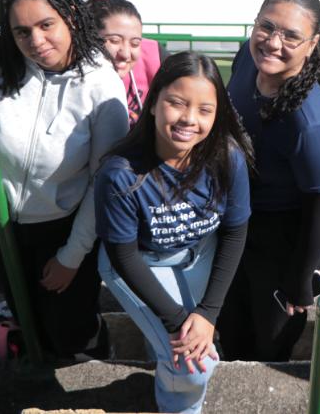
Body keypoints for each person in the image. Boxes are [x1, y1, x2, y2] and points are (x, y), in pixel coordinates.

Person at [0, 0, 129, 358]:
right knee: (21, 305)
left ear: (72, 16)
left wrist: (71, 256)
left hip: (62, 228)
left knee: (71, 324)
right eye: (21, 32)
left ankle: (90, 355)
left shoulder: (101, 84)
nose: (36, 41)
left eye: (47, 24)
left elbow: (104, 183)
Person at [96, 52, 252, 414]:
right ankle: (179, 408)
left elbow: (234, 232)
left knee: (185, 340)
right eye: (177, 103)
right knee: (195, 366)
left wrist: (208, 313)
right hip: (141, 262)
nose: (189, 119)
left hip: (199, 251)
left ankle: (160, 348)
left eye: (204, 110)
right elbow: (124, 256)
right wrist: (180, 321)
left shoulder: (228, 156)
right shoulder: (120, 173)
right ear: (153, 104)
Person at [217, 0, 320, 361]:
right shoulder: (246, 58)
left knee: (270, 344)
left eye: (291, 35)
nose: (273, 42)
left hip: (283, 240)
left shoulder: (312, 127)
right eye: (266, 27)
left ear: (313, 43)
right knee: (230, 329)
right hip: (236, 219)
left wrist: (300, 280)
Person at [86, 0, 167, 127]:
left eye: (135, 43)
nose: (125, 54)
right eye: (114, 41)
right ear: (89, 36)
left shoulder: (156, 57)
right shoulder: (68, 77)